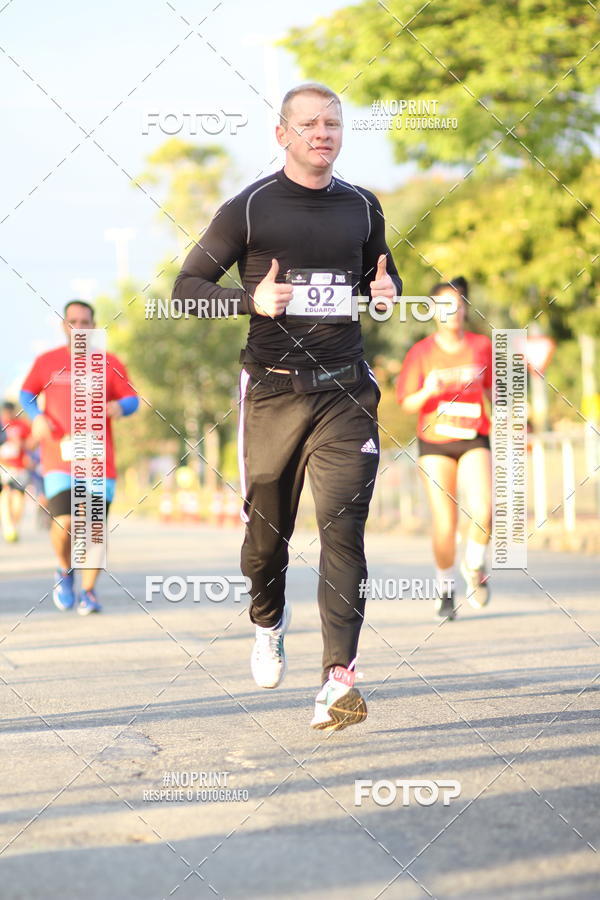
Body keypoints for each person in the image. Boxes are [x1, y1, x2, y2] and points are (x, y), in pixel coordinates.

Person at [173, 82, 402, 731]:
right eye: (308, 124)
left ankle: (338, 678)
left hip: (346, 391)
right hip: (271, 389)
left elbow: (379, 278)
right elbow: (187, 289)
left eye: (332, 122)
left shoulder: (361, 206)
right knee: (265, 539)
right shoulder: (249, 210)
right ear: (282, 135)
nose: (322, 132)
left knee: (343, 527)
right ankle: (267, 618)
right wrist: (251, 301)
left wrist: (386, 292)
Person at [20, 300, 139, 614]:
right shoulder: (47, 361)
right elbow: (26, 394)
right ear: (64, 325)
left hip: (100, 459)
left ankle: (88, 592)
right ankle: (63, 569)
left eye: (86, 322)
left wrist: (120, 407)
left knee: (94, 527)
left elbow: (132, 399)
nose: (80, 328)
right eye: (73, 321)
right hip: (59, 458)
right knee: (66, 522)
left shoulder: (108, 362)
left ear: (93, 325)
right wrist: (37, 416)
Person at [396, 277, 492, 620]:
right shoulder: (421, 353)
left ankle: (474, 565)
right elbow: (407, 402)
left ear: (465, 308)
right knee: (445, 520)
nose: (453, 312)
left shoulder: (482, 346)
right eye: (445, 306)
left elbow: (495, 391)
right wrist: (430, 390)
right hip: (436, 442)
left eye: (459, 305)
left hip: (474, 436)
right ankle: (445, 589)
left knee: (484, 508)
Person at [0, 401, 31, 542]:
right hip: (4, 467)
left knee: (18, 499)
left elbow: (31, 444)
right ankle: (8, 527)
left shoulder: (22, 426)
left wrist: (22, 445)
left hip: (20, 468)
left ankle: (14, 524)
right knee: (5, 494)